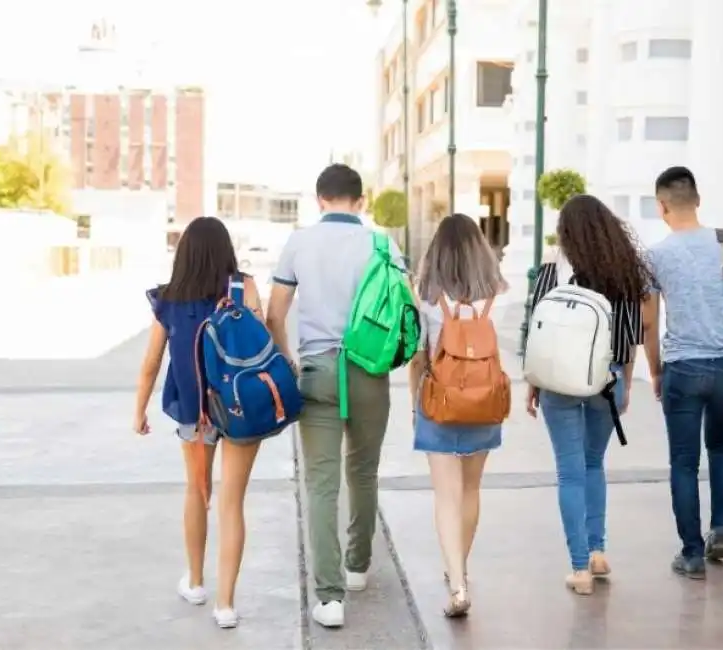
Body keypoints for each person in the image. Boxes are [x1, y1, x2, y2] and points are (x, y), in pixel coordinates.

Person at [266, 164, 405, 628]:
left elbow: (275, 313)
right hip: (369, 369)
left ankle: (328, 598)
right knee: (363, 471)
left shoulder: (299, 243)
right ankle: (358, 566)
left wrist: (289, 358)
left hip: (316, 368)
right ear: (360, 201)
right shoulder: (382, 244)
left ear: (319, 199)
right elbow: (405, 307)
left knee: (321, 482)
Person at [133, 216, 266, 629]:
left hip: (195, 409)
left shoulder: (171, 298)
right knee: (233, 501)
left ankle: (195, 581)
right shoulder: (243, 288)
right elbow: (264, 342)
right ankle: (225, 604)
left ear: (185, 252)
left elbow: (152, 362)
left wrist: (138, 409)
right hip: (242, 407)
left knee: (197, 489)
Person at [643, 166, 723, 579]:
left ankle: (692, 554)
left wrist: (656, 370)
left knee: (682, 462)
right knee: (722, 447)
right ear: (697, 200)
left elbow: (648, 321)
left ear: (662, 207)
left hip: (681, 366)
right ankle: (720, 528)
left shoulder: (656, 255)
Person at [525, 194, 651, 595]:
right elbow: (631, 334)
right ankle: (597, 551)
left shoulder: (550, 270)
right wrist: (626, 381)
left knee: (569, 471)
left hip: (557, 380)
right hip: (606, 379)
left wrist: (533, 382)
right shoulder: (623, 269)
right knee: (594, 464)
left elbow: (535, 330)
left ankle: (579, 569)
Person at [407, 213, 507, 617]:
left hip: (440, 403)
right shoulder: (498, 294)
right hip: (485, 403)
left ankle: (459, 584)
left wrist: (415, 404)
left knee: (446, 495)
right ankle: (458, 570)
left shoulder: (427, 295)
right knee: (470, 491)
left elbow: (418, 357)